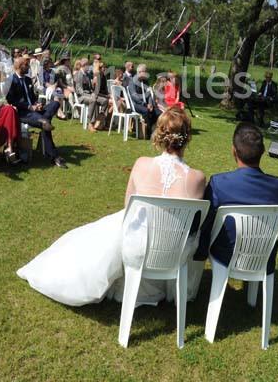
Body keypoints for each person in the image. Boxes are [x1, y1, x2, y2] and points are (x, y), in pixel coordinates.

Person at [17, 107, 207, 306]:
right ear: (187, 138)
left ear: (160, 134)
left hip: (138, 248)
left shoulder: (141, 164)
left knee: (105, 230)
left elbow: (128, 207)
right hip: (174, 253)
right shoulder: (197, 178)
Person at [195, 123, 278, 278]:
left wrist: (201, 251)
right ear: (263, 151)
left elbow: (205, 222)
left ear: (234, 150)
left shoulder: (219, 183)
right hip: (263, 256)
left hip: (226, 255)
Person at [6, 56, 67, 168]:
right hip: (23, 113)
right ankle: (54, 156)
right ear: (19, 66)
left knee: (55, 103)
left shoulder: (28, 80)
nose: (29, 67)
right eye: (26, 65)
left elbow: (33, 97)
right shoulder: (11, 80)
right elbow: (11, 101)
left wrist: (37, 104)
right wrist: (29, 106)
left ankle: (45, 121)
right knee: (45, 122)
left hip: (35, 112)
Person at [74, 57, 108, 131]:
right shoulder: (78, 74)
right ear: (84, 65)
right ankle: (90, 123)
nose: (89, 66)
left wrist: (93, 85)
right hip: (81, 97)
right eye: (88, 65)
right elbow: (79, 90)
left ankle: (98, 119)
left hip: (90, 95)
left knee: (105, 101)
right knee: (93, 100)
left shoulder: (87, 74)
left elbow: (90, 88)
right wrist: (90, 95)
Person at [127, 63, 161, 131]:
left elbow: (149, 94)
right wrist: (145, 104)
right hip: (136, 104)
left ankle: (154, 129)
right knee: (146, 111)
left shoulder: (145, 82)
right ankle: (148, 130)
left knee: (158, 112)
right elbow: (135, 97)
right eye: (145, 72)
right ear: (139, 72)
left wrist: (150, 104)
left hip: (146, 104)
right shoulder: (132, 81)